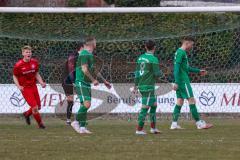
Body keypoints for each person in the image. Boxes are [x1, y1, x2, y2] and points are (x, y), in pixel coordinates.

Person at [170, 37, 213, 130]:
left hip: (181, 80)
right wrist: (176, 82)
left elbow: (186, 68)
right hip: (182, 81)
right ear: (187, 43)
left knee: (180, 101)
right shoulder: (181, 52)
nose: (192, 46)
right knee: (191, 100)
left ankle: (174, 124)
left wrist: (198, 71)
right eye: (191, 44)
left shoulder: (180, 52)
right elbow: (176, 68)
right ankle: (199, 123)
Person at [71, 36, 111, 134]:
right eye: (95, 42)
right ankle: (75, 122)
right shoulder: (84, 54)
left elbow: (94, 70)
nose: (96, 43)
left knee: (84, 105)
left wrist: (104, 81)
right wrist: (93, 80)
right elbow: (84, 69)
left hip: (86, 83)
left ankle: (83, 127)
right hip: (81, 82)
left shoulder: (89, 54)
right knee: (87, 104)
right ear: (91, 44)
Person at [13, 45, 46, 129]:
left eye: (30, 52)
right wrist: (19, 86)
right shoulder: (18, 65)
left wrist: (41, 82)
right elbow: (14, 76)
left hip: (33, 86)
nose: (29, 53)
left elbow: (36, 73)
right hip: (25, 88)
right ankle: (40, 124)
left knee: (38, 107)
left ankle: (27, 114)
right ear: (23, 53)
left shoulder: (34, 62)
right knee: (35, 108)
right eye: (26, 52)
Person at [134, 40, 161, 135]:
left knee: (154, 105)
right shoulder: (153, 59)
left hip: (142, 85)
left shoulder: (140, 58)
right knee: (145, 107)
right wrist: (163, 73)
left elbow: (137, 73)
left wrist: (135, 86)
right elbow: (157, 74)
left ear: (145, 47)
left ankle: (153, 128)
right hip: (148, 86)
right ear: (154, 47)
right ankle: (139, 129)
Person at [62, 43, 84, 125]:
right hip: (67, 81)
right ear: (81, 48)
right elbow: (71, 70)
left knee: (83, 100)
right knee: (70, 101)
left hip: (77, 81)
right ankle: (68, 120)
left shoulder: (82, 57)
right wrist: (73, 81)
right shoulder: (73, 57)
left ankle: (79, 119)